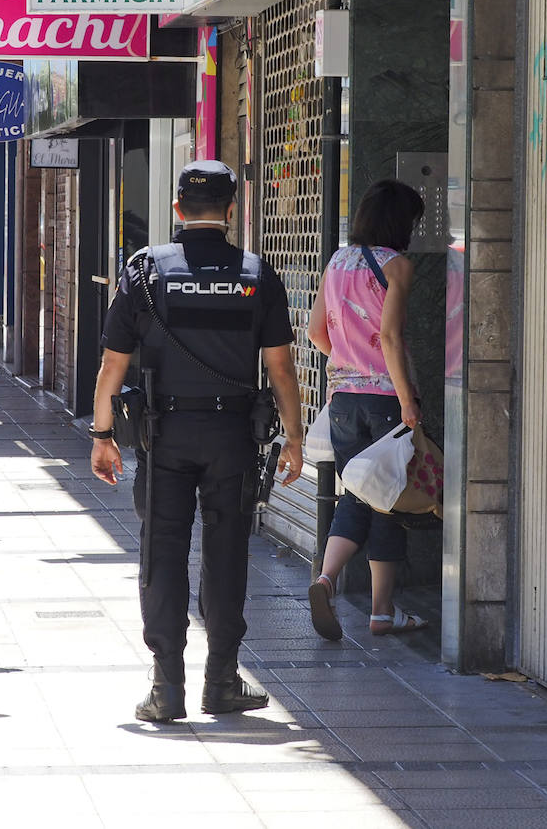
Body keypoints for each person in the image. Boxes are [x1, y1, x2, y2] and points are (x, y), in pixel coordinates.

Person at [90, 160, 304, 723]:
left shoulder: (144, 270)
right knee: (227, 554)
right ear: (232, 211)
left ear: (178, 209)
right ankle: (222, 680)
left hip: (166, 437)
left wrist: (102, 433)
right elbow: (280, 368)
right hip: (233, 436)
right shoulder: (257, 273)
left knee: (162, 555)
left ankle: (166, 688)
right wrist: (296, 440)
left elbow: (113, 362)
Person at [306, 178, 428, 641]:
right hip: (384, 400)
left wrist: (350, 363)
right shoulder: (396, 266)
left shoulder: (337, 261)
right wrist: (407, 402)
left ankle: (326, 578)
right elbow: (392, 338)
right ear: (401, 222)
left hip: (342, 400)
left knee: (355, 494)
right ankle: (382, 610)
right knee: (388, 501)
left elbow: (317, 333)